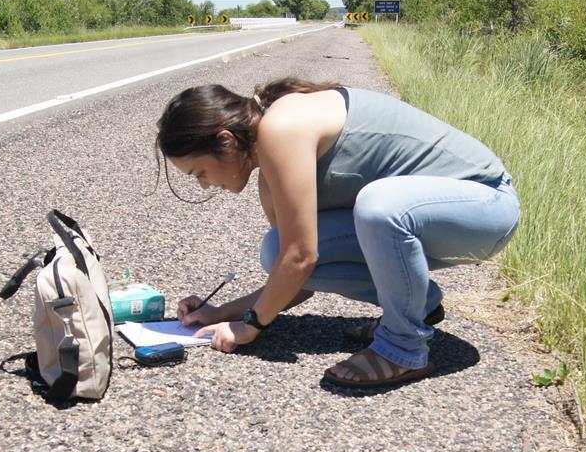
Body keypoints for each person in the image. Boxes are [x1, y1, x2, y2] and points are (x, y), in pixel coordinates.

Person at [156, 77, 520, 388]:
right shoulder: (270, 172)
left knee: (379, 205)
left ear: (226, 140)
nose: (204, 185)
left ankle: (404, 348)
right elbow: (300, 274)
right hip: (435, 217)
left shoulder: (280, 128)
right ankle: (418, 307)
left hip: (486, 207)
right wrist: (221, 313)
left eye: (198, 173)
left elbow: (302, 257)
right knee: (275, 251)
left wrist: (249, 326)